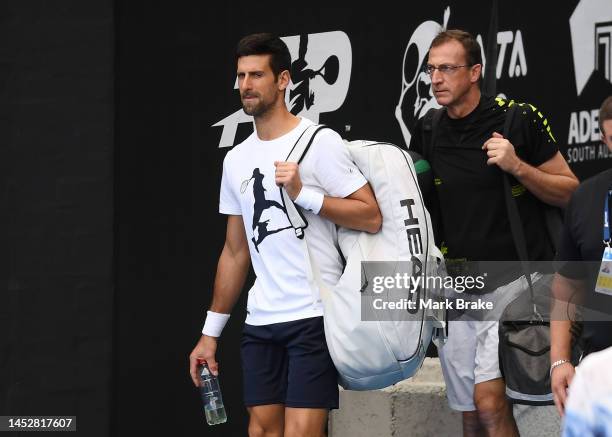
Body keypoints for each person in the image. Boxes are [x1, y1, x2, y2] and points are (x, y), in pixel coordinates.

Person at [188, 33, 381, 437]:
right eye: (240, 75)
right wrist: (209, 335)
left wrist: (304, 194)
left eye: (256, 74)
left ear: (283, 80)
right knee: (261, 431)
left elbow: (370, 216)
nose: (245, 85)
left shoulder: (319, 142)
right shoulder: (236, 159)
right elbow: (235, 252)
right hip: (261, 320)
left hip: (313, 315)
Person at [409, 29, 579, 436]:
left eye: (447, 68)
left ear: (475, 72)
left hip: (515, 285)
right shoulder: (428, 129)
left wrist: (518, 166)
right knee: (470, 415)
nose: (436, 78)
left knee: (488, 401)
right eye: (431, 69)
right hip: (456, 288)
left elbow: (571, 191)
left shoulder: (518, 120)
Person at [551, 95, 612, 417]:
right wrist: (560, 361)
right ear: (604, 139)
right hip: (599, 370)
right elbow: (566, 289)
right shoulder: (587, 197)